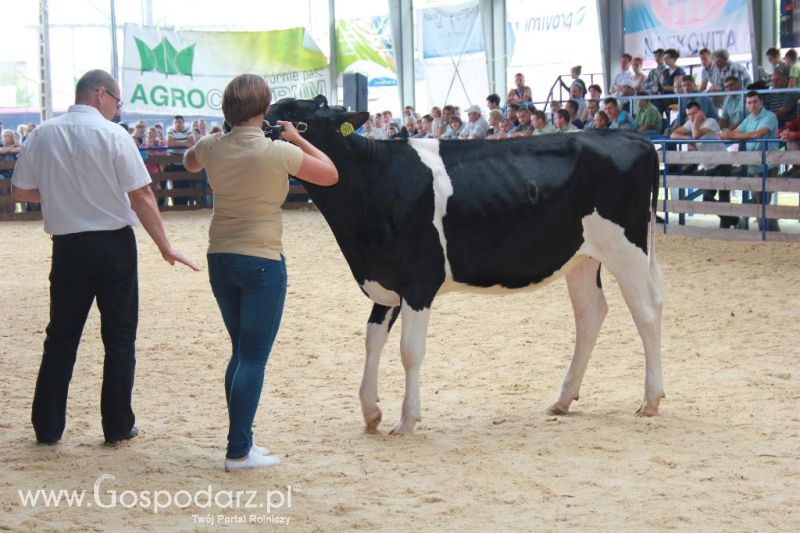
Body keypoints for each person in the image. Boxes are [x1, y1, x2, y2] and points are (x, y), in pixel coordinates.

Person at [9, 69, 198, 446]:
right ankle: (116, 426)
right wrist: (165, 245)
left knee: (60, 337)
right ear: (100, 95)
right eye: (117, 100)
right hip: (113, 246)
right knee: (119, 337)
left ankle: (47, 428)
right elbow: (142, 194)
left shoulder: (43, 134)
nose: (117, 108)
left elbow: (20, 191)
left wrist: (65, 195)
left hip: (67, 248)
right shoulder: (114, 135)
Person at [182, 73, 338, 471]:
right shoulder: (277, 152)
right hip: (262, 258)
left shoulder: (212, 145)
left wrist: (213, 139)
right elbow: (330, 173)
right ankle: (238, 451)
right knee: (253, 357)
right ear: (265, 111)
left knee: (240, 353)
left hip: (221, 256)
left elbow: (189, 162)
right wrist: (295, 138)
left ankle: (243, 441)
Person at [670, 101, 738, 228]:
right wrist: (689, 139)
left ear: (701, 112)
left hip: (722, 163)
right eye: (689, 114)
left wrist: (695, 125)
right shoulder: (691, 123)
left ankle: (725, 228)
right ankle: (734, 220)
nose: (691, 116)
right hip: (708, 165)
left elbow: (696, 134)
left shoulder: (711, 122)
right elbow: (673, 134)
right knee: (707, 198)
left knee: (724, 198)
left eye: (694, 113)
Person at [720, 91, 780, 231]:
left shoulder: (770, 116)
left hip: (768, 164)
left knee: (762, 199)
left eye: (755, 102)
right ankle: (767, 230)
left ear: (761, 102)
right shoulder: (748, 119)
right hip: (753, 164)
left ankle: (766, 230)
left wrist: (733, 134)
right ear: (746, 105)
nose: (752, 105)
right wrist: (732, 134)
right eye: (749, 102)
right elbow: (738, 133)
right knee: (758, 200)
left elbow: (758, 134)